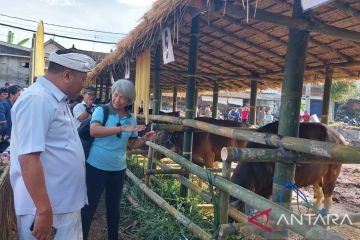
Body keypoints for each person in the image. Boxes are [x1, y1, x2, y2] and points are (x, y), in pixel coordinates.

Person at [10, 51, 96, 240]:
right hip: (48, 207)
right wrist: (43, 210)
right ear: (67, 75)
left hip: (60, 204)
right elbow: (28, 157)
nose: (84, 86)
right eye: (83, 79)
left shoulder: (54, 99)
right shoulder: (37, 99)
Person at [81, 79, 156, 240]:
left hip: (118, 169)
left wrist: (144, 139)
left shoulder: (131, 119)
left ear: (129, 101)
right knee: (89, 207)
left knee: (113, 209)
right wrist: (121, 128)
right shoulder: (102, 111)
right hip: (95, 167)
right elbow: (94, 131)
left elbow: (131, 144)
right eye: (115, 95)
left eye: (122, 98)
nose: (117, 100)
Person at [0, 85, 23, 152]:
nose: (21, 97)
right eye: (19, 95)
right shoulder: (3, 105)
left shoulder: (19, 106)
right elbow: (3, 125)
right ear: (11, 95)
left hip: (15, 140)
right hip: (5, 141)